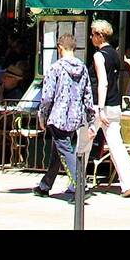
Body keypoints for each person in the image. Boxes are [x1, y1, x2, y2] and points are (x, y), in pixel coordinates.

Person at [33, 34, 95, 201]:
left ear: (59, 48)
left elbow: (47, 97)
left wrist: (42, 116)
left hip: (58, 116)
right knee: (59, 151)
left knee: (66, 152)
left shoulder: (55, 68)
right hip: (75, 117)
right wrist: (90, 120)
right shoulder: (82, 68)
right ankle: (44, 186)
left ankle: (81, 187)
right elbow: (88, 95)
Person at [91, 20, 130, 196]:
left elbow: (102, 83)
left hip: (100, 105)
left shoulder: (99, 55)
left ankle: (76, 182)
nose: (91, 37)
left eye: (92, 34)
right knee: (116, 145)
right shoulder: (115, 54)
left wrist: (99, 109)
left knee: (84, 142)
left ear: (99, 35)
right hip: (115, 104)